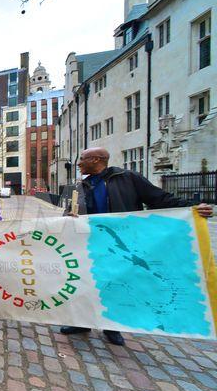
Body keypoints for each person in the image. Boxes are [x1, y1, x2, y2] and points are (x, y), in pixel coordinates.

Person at [61, 147, 214, 346]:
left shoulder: (128, 178)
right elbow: (68, 212)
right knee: (85, 280)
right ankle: (82, 322)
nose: (79, 163)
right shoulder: (81, 185)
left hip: (120, 242)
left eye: (82, 159)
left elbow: (159, 199)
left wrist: (191, 208)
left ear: (96, 159)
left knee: (116, 282)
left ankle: (112, 326)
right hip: (89, 242)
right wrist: (69, 217)